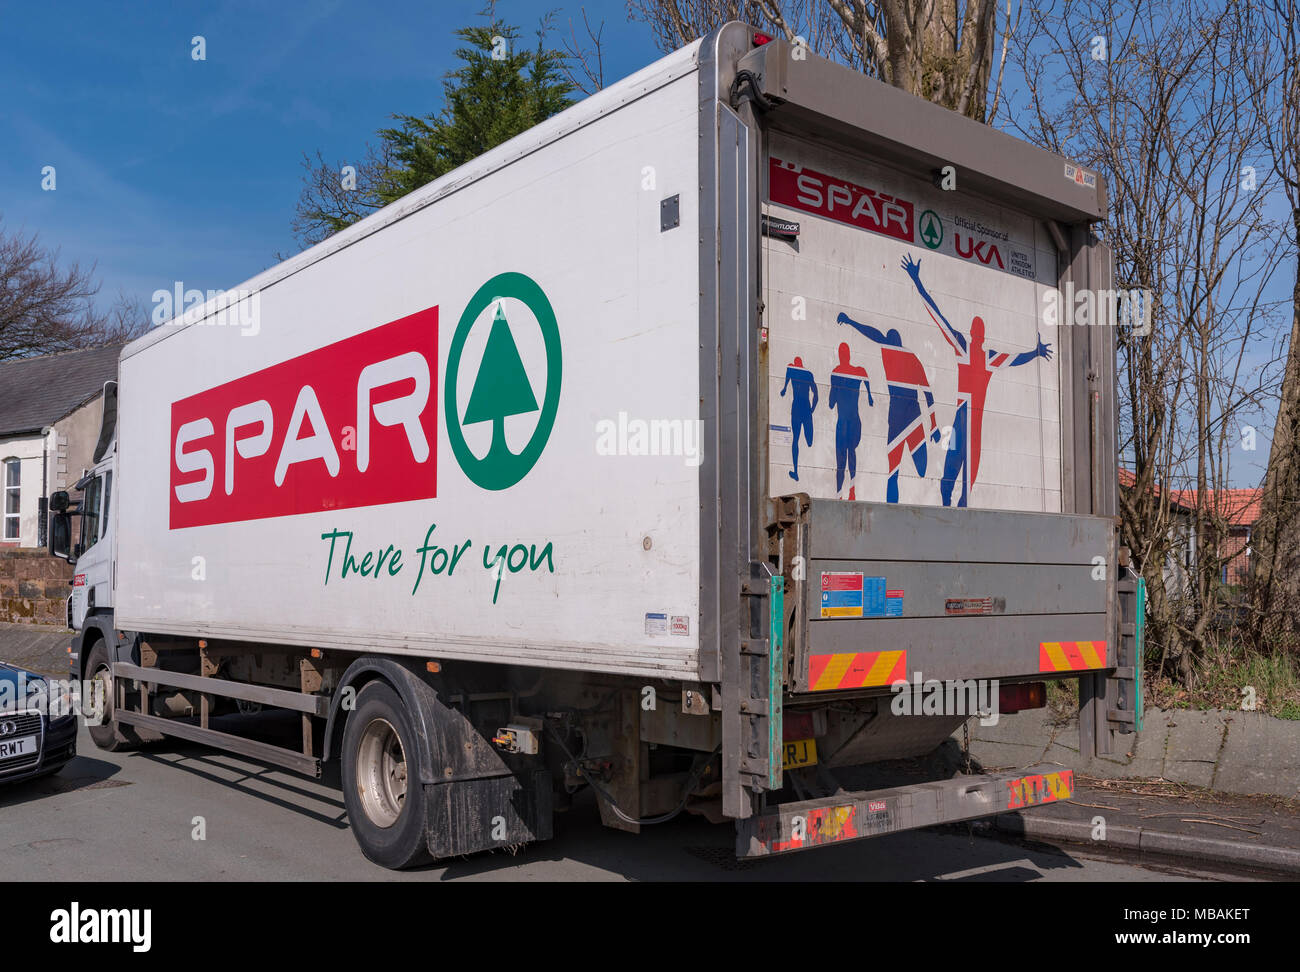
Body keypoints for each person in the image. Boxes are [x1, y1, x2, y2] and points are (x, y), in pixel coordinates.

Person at [901, 253, 1052, 507]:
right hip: (967, 421)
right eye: (978, 331)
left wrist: (1034, 353)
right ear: (977, 334)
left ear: (975, 334)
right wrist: (917, 282)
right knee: (955, 479)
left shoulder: (974, 351)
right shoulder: (978, 353)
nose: (978, 335)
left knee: (960, 481)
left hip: (967, 422)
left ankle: (953, 512)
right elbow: (939, 318)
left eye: (978, 332)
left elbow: (939, 318)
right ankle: (950, 510)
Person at [837, 312, 941, 503]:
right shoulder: (909, 357)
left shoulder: (890, 352)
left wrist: (851, 321)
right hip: (910, 415)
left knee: (901, 471)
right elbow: (928, 393)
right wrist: (933, 425)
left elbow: (873, 333)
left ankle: (894, 508)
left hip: (900, 416)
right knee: (903, 470)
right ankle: (893, 509)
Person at [827, 342, 873, 501]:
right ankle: (852, 490)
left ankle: (839, 493)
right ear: (849, 355)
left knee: (841, 459)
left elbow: (831, 403)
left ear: (840, 355)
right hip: (855, 420)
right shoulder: (858, 371)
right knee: (851, 454)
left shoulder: (836, 373)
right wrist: (869, 396)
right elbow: (866, 379)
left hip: (843, 422)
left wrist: (837, 391)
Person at [779, 356, 819, 480]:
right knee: (803, 440)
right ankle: (796, 471)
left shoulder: (792, 370)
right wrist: (812, 408)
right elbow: (816, 394)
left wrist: (784, 389)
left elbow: (787, 378)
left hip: (797, 408)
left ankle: (796, 471)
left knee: (801, 440)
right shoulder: (808, 374)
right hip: (805, 408)